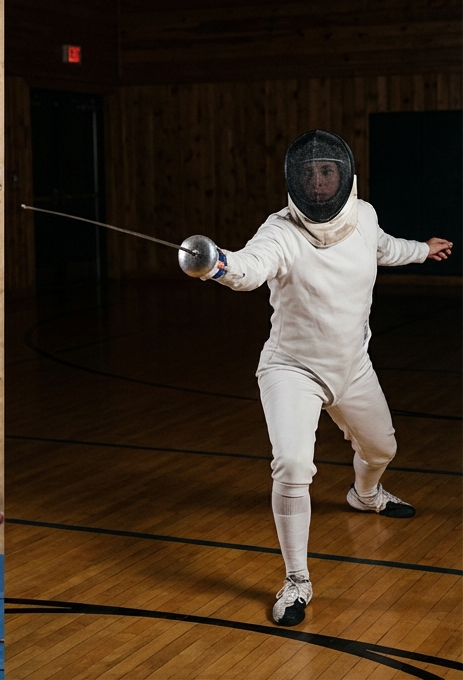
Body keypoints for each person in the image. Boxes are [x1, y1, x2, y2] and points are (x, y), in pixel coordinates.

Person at [185, 129, 453, 627]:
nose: (319, 181)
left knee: (382, 451)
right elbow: (248, 268)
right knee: (291, 464)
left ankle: (365, 494)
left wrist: (422, 249)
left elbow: (384, 247)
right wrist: (216, 264)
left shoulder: (365, 215)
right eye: (309, 173)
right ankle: (296, 580)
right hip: (293, 369)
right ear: (296, 181)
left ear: (343, 174)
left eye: (327, 170)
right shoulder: (280, 231)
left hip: (352, 365)